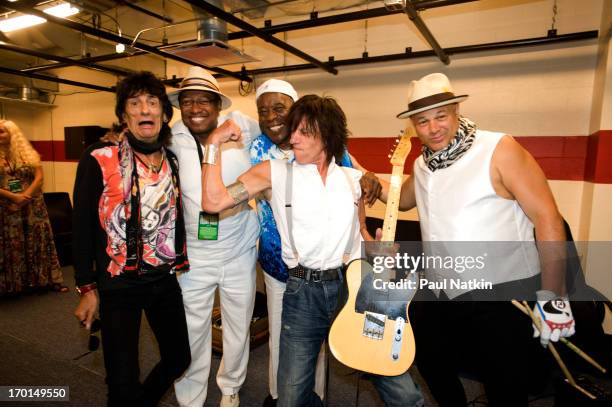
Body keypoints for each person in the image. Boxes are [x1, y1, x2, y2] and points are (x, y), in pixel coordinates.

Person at [200, 94, 423, 407]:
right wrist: (213, 143)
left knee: (397, 383)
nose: (293, 138)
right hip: (303, 293)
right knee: (291, 398)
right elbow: (213, 201)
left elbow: (375, 220)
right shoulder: (273, 173)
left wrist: (376, 248)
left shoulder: (353, 179)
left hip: (353, 287)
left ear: (327, 135)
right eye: (294, 130)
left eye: (304, 131)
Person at [378, 72, 575, 406]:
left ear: (456, 110)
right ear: (414, 124)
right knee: (428, 356)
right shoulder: (424, 164)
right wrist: (361, 179)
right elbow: (403, 198)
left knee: (505, 386)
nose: (434, 127)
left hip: (502, 294)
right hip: (443, 290)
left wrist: (553, 298)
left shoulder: (499, 148)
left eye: (441, 116)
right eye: (423, 121)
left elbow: (548, 217)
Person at [72, 71, 191, 406]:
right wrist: (87, 287)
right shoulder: (99, 157)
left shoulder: (172, 160)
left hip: (164, 280)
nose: (144, 110)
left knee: (179, 358)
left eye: (153, 103)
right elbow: (81, 225)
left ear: (165, 114)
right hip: (118, 285)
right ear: (124, 115)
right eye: (135, 104)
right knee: (122, 380)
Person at [168, 66, 260, 407]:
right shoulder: (170, 138)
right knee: (192, 329)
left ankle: (231, 387)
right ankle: (191, 396)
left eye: (204, 101)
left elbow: (286, 138)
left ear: (217, 105)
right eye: (188, 101)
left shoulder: (243, 127)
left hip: (239, 248)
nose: (195, 108)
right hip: (194, 253)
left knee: (238, 325)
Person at [0, 119, 66, 296]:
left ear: (12, 134)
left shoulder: (26, 153)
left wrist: (23, 198)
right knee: (13, 244)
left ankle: (44, 280)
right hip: (7, 206)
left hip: (32, 204)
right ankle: (15, 285)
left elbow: (39, 177)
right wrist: (13, 197)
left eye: (1, 132)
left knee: (37, 240)